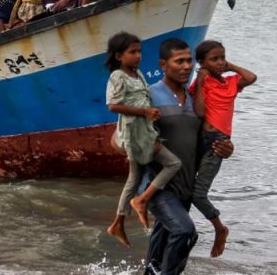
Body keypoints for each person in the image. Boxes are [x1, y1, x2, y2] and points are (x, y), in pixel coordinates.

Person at [138, 38, 234, 275]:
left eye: (189, 61)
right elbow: (118, 141)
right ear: (163, 64)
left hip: (185, 186)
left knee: (161, 246)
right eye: (179, 61)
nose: (186, 66)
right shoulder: (149, 95)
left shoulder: (196, 100)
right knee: (185, 232)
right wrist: (148, 146)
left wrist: (225, 149)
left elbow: (200, 141)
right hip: (156, 185)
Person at [105, 32, 181, 247]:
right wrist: (144, 112)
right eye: (133, 52)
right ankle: (141, 201)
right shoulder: (118, 76)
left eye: (139, 51)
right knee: (173, 163)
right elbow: (113, 105)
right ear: (119, 56)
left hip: (144, 131)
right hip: (134, 134)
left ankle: (119, 222)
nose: (138, 56)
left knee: (134, 177)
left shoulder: (137, 74)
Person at [189, 40, 257, 258]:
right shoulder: (202, 83)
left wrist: (231, 66)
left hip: (218, 143)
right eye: (214, 59)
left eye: (222, 58)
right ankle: (186, 233)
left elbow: (252, 77)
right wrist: (200, 82)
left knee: (198, 195)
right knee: (184, 187)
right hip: (200, 139)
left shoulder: (231, 83)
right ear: (202, 63)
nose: (220, 62)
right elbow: (199, 112)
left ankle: (220, 228)